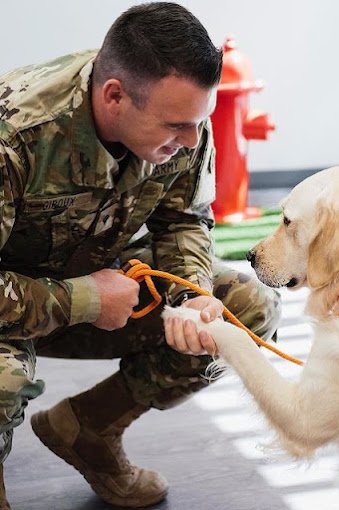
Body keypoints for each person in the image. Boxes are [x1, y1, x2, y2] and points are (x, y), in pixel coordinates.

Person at [0, 2, 280, 508]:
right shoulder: (16, 133)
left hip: (104, 284)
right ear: (114, 96)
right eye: (176, 126)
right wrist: (84, 299)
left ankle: (88, 430)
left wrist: (191, 296)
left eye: (199, 122)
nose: (192, 140)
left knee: (243, 312)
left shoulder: (185, 120)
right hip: (14, 304)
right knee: (3, 381)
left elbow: (185, 220)